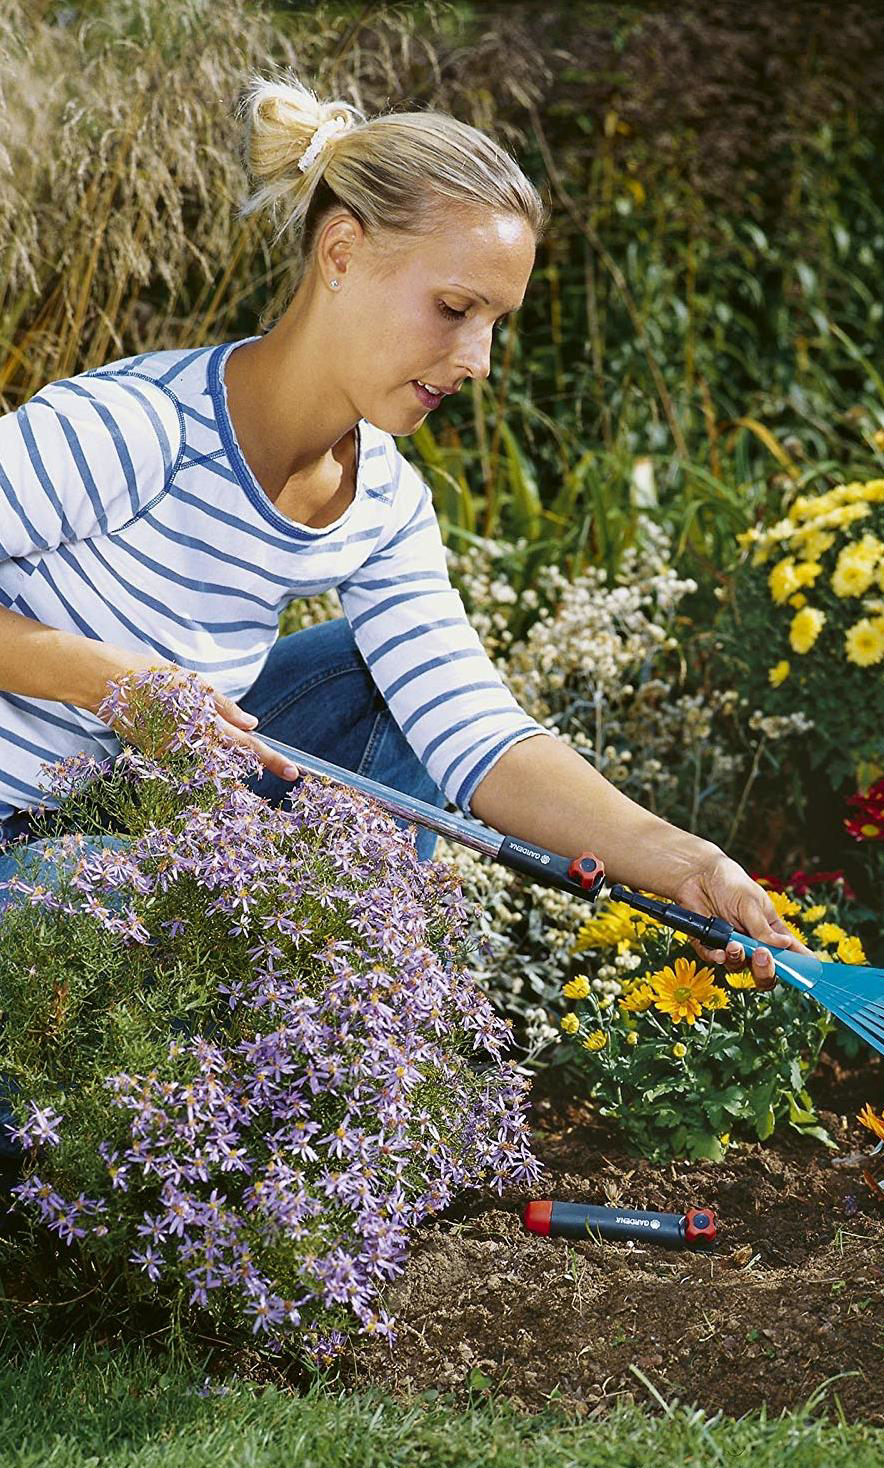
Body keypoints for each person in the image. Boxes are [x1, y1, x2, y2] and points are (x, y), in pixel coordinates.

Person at [0, 70, 809, 990]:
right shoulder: (136, 429)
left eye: (497, 324)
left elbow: (470, 726)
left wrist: (681, 861)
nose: (478, 362)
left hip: (128, 821)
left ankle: (326, 1004)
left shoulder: (383, 501)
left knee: (379, 681)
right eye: (455, 310)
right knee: (105, 910)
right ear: (341, 252)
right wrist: (112, 680)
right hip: (26, 842)